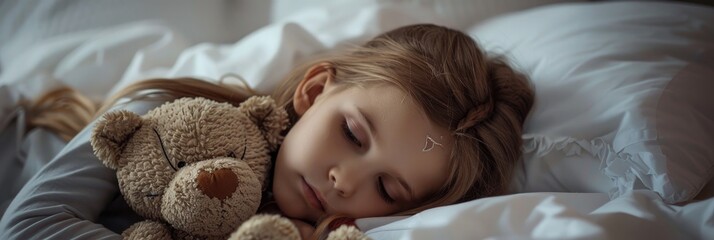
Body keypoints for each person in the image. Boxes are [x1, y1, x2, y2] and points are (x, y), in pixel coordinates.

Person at [0, 24, 534, 239]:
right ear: (315, 90)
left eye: (388, 189)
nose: (344, 181)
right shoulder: (167, 114)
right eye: (351, 133)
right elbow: (26, 226)